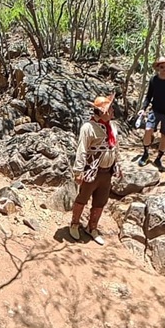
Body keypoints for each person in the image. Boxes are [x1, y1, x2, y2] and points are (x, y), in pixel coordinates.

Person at [69, 95, 120, 245]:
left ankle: (92, 228)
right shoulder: (88, 128)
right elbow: (82, 150)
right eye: (110, 108)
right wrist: (78, 172)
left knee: (101, 202)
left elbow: (116, 147)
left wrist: (118, 165)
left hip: (107, 172)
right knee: (82, 198)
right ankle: (74, 224)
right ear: (102, 111)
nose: (112, 111)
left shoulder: (113, 126)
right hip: (92, 172)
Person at [139, 56, 165, 170]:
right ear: (158, 68)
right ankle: (146, 153)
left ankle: (158, 159)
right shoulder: (153, 80)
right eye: (162, 67)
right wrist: (143, 108)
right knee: (148, 130)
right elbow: (149, 96)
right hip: (155, 110)